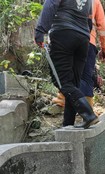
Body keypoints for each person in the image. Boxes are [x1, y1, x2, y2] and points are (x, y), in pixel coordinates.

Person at [35, 0, 98, 129]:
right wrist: (84, 35)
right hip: (83, 38)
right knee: (73, 84)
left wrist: (40, 30)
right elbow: (89, 18)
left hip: (63, 33)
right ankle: (67, 125)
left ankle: (88, 114)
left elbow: (51, 4)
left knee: (61, 81)